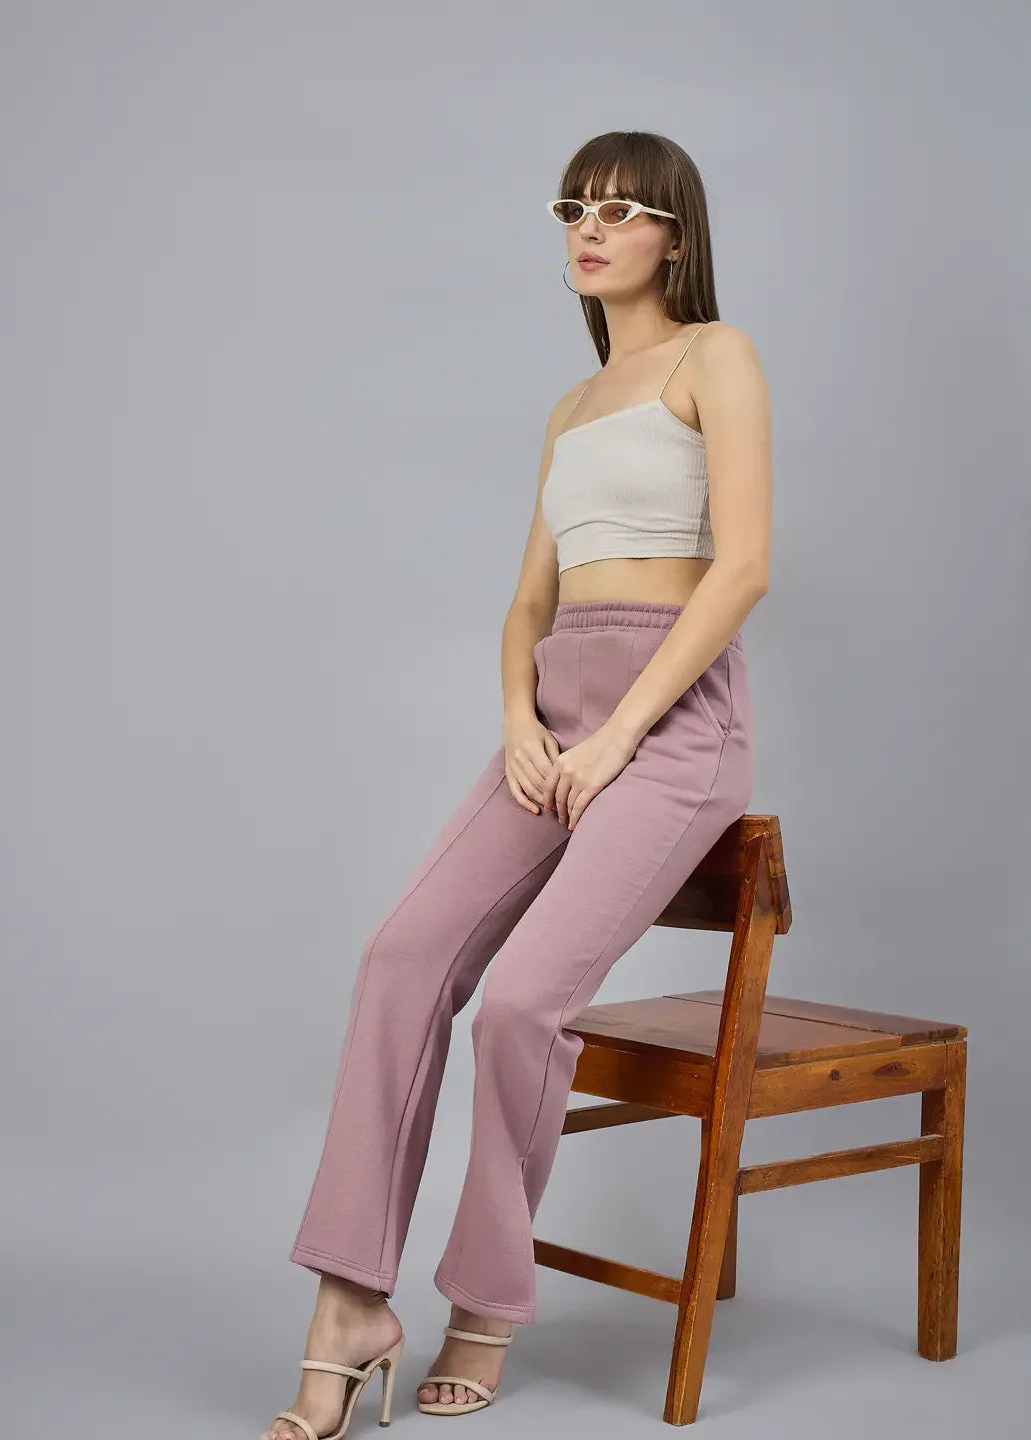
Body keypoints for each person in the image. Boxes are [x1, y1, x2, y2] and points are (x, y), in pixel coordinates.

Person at [263, 128, 772, 1440]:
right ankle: (348, 1302)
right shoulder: (571, 407)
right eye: (574, 211)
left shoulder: (718, 356)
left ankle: (486, 1302)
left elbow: (744, 569)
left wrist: (620, 739)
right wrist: (523, 723)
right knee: (399, 960)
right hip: (555, 713)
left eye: (621, 212)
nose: (589, 232)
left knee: (520, 1008)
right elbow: (529, 601)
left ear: (675, 235)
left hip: (674, 720)